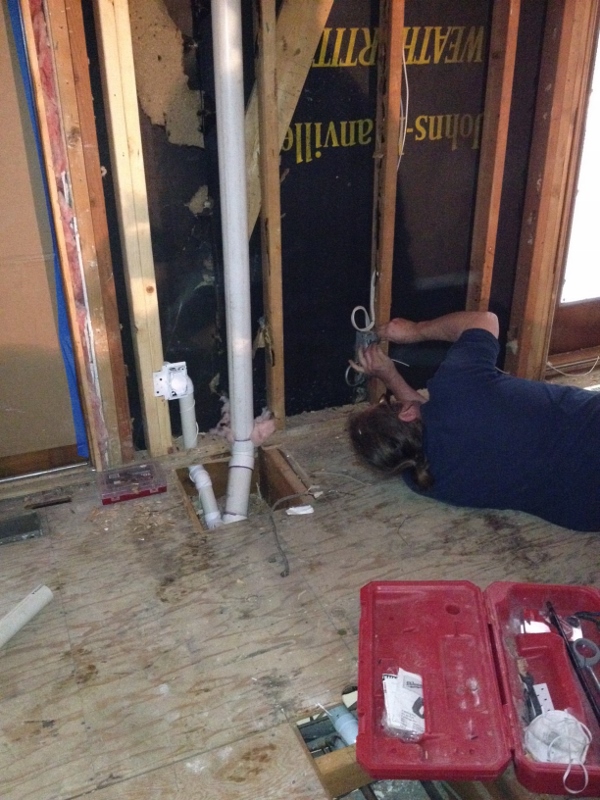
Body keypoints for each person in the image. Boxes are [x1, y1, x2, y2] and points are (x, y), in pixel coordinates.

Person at [348, 311, 600, 532]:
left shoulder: (425, 479)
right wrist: (415, 331)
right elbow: (485, 320)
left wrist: (390, 375)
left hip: (587, 511)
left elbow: (435, 422)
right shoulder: (456, 385)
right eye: (389, 402)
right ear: (405, 414)